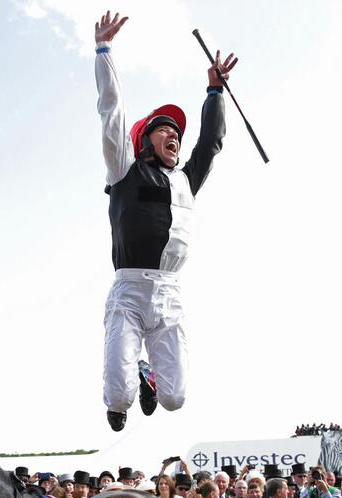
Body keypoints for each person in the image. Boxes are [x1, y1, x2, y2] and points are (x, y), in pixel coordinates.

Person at [93, 10, 236, 431]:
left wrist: (214, 92)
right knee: (119, 397)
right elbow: (111, 111)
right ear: (143, 142)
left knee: (174, 399)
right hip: (130, 291)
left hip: (170, 294)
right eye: (164, 129)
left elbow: (210, 144)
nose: (174, 134)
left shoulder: (186, 181)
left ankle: (148, 373)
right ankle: (123, 390)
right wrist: (104, 50)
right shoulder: (124, 168)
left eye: (177, 131)